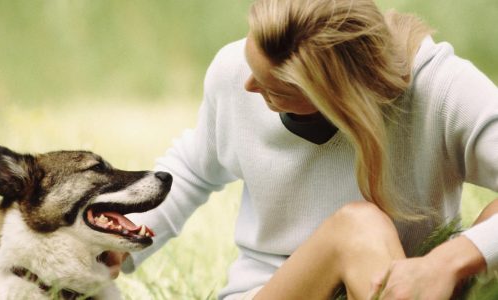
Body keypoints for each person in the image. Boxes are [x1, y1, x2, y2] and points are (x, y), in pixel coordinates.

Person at [112, 0, 498, 298]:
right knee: (358, 229)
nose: (249, 86)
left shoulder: (438, 88)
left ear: (339, 96)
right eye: (250, 62)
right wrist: (115, 244)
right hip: (274, 289)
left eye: (277, 89)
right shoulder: (232, 75)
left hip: (409, 287)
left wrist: (448, 262)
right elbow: (193, 171)